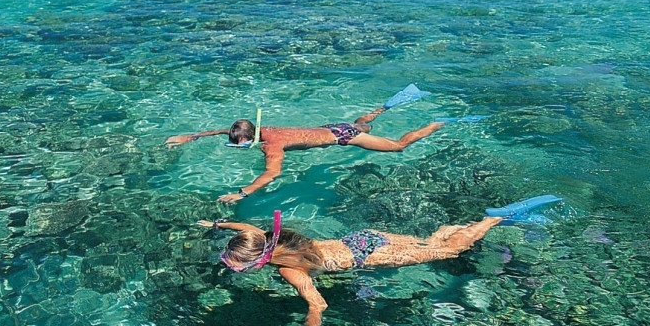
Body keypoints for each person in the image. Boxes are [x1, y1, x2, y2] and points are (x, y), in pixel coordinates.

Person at [199, 196, 562, 326]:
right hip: (363, 238)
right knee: (430, 245)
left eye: (241, 266)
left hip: (369, 255)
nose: (239, 270)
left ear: (259, 260)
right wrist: (217, 224)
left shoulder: (290, 270)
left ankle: (495, 219)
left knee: (449, 253)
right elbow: (242, 227)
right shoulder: (268, 236)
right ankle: (461, 227)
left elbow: (318, 304)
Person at [166, 101, 444, 203]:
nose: (237, 145)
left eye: (239, 143)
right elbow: (218, 130)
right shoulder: (264, 130)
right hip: (333, 127)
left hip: (343, 137)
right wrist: (189, 137)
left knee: (398, 147)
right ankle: (383, 108)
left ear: (251, 137)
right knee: (362, 125)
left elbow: (272, 174)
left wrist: (242, 193)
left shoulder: (271, 145)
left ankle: (435, 124)